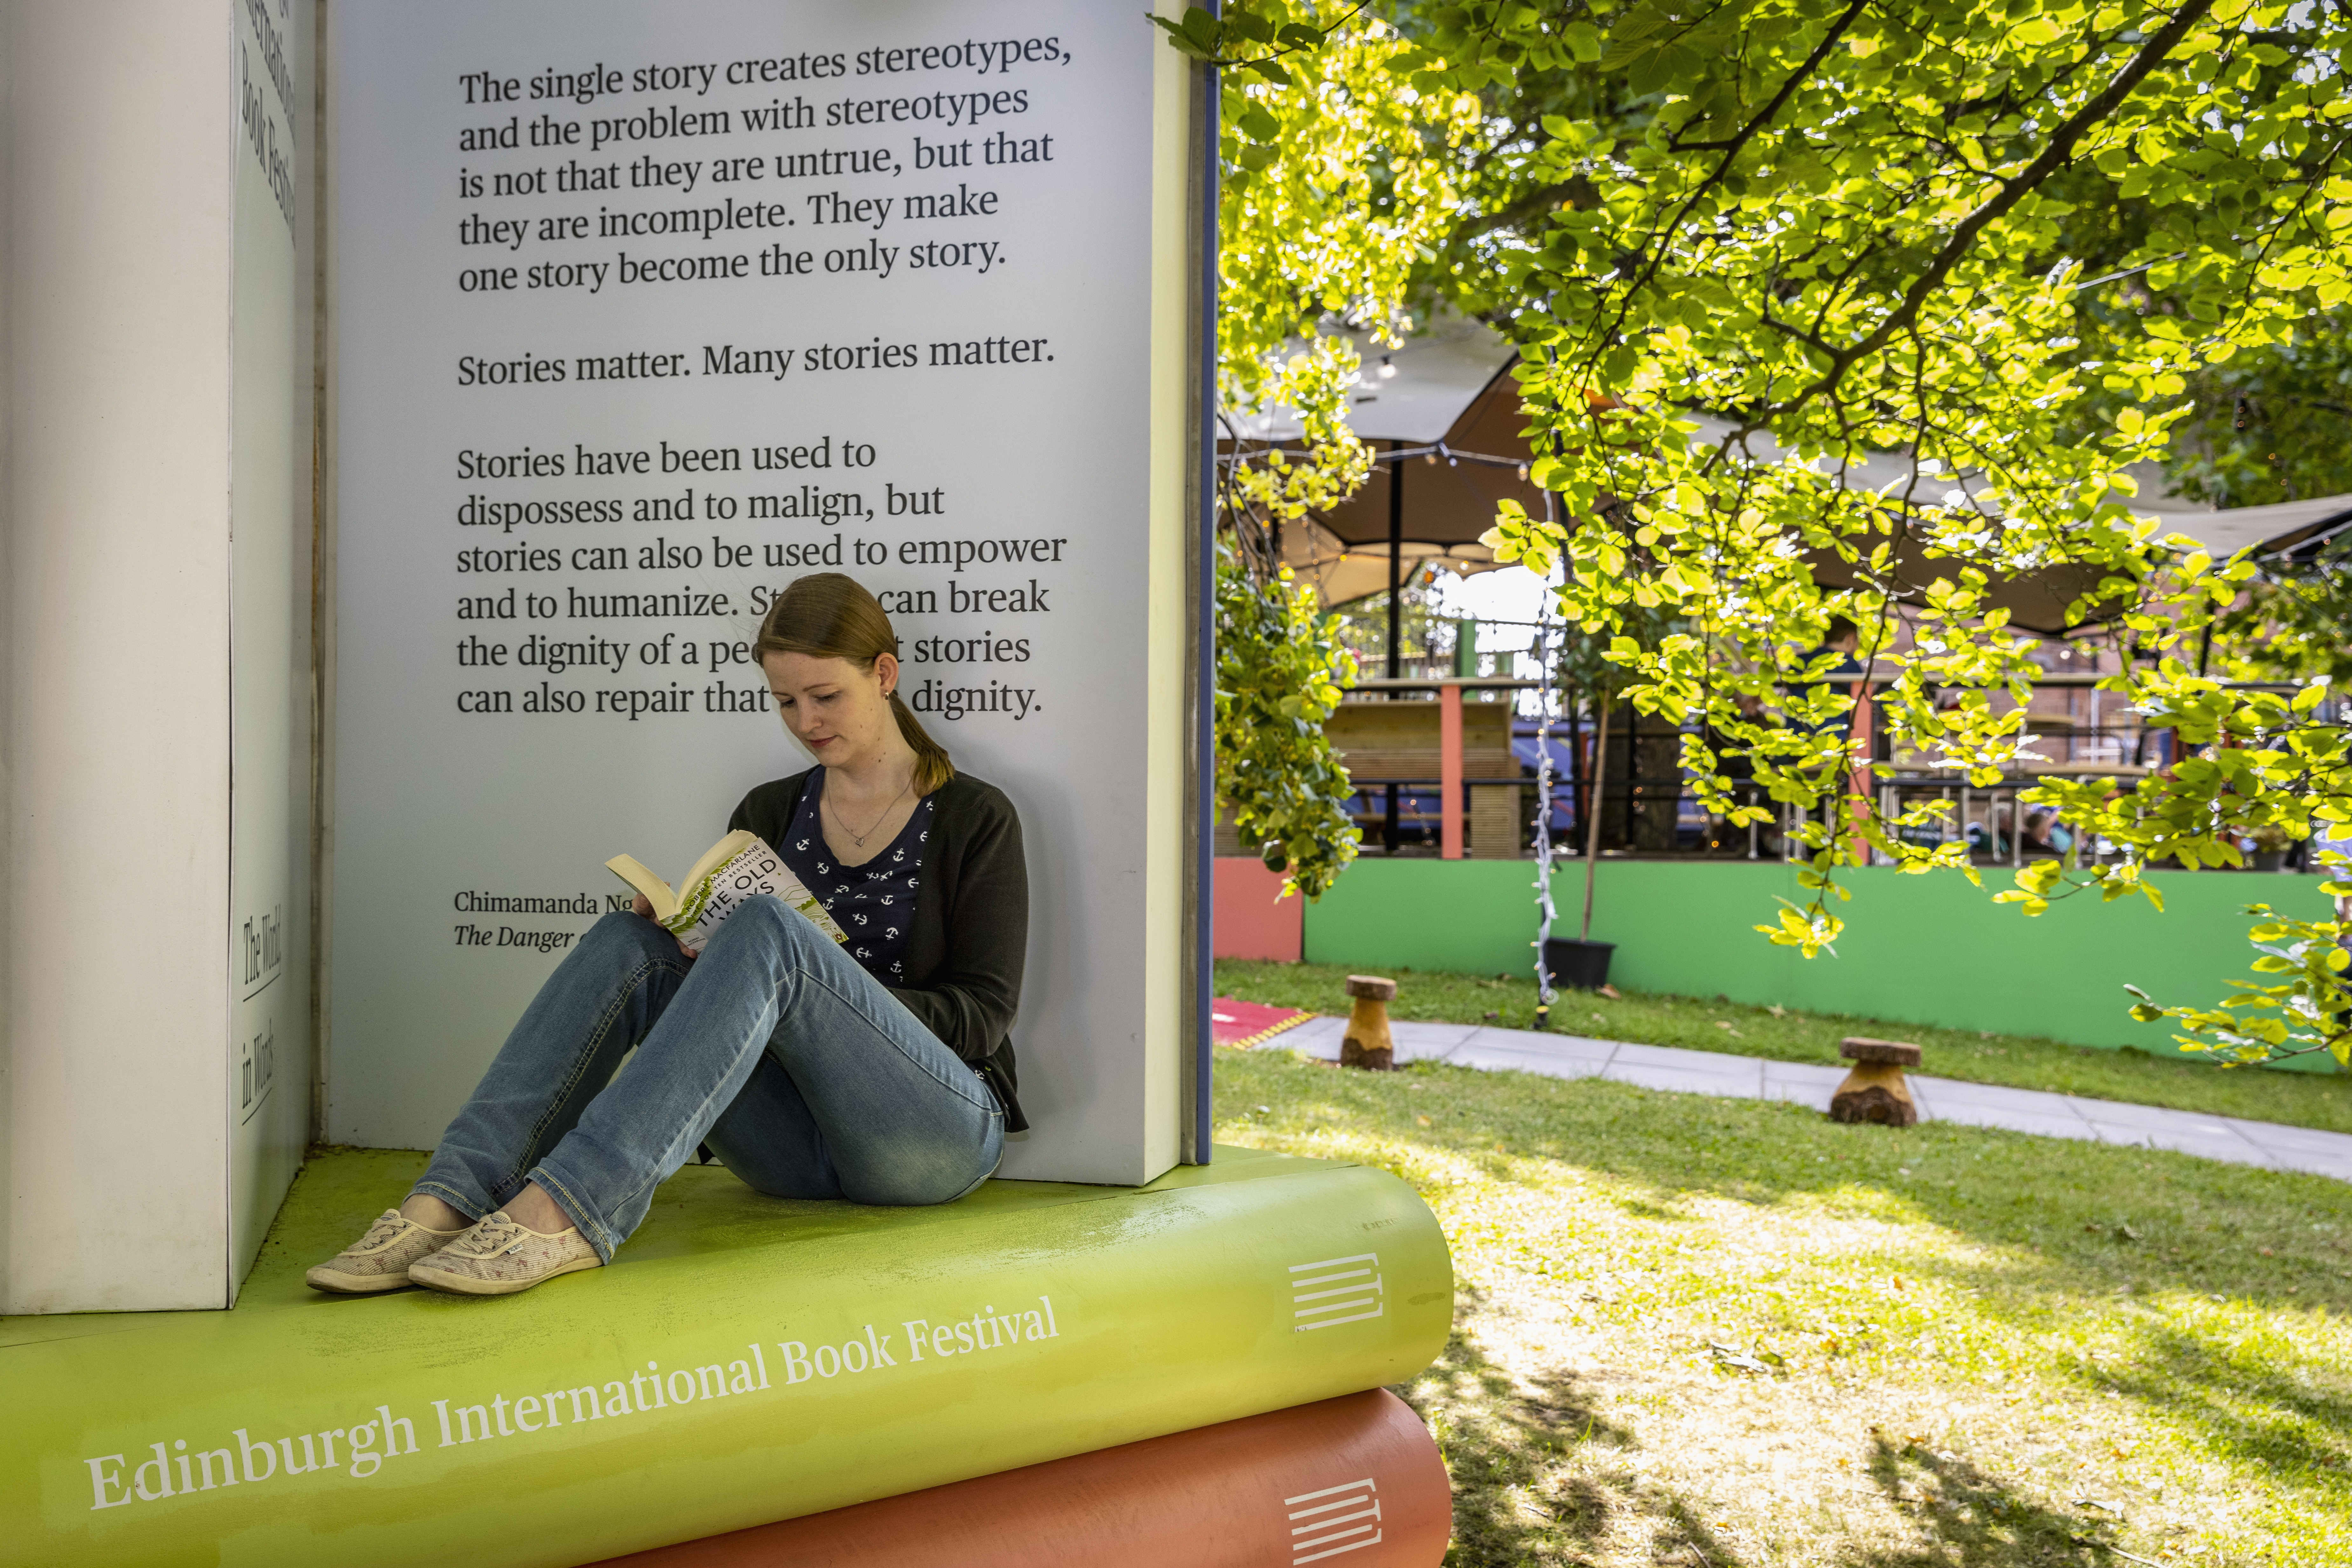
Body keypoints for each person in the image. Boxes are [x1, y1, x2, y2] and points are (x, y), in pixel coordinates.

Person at [307, 573, 1027, 1297]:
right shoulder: (770, 809)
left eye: (826, 695)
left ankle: (568, 1207)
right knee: (631, 941)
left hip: (930, 1138)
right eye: (785, 701)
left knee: (770, 932)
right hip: (791, 1151)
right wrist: (694, 945)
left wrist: (823, 988)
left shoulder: (975, 816)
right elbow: (723, 1005)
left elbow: (984, 1016)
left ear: (884, 675)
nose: (805, 719)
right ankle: (449, 1199)